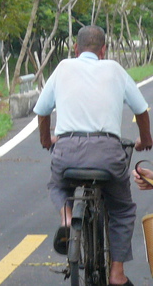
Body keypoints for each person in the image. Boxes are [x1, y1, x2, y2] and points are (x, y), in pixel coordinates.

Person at [34, 25, 152, 286]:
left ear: (75, 49)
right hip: (108, 155)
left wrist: (47, 140)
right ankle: (117, 274)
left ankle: (67, 217)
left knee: (57, 185)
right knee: (121, 209)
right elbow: (142, 110)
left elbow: (42, 111)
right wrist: (145, 140)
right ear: (104, 50)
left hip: (67, 151)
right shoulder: (115, 70)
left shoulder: (63, 67)